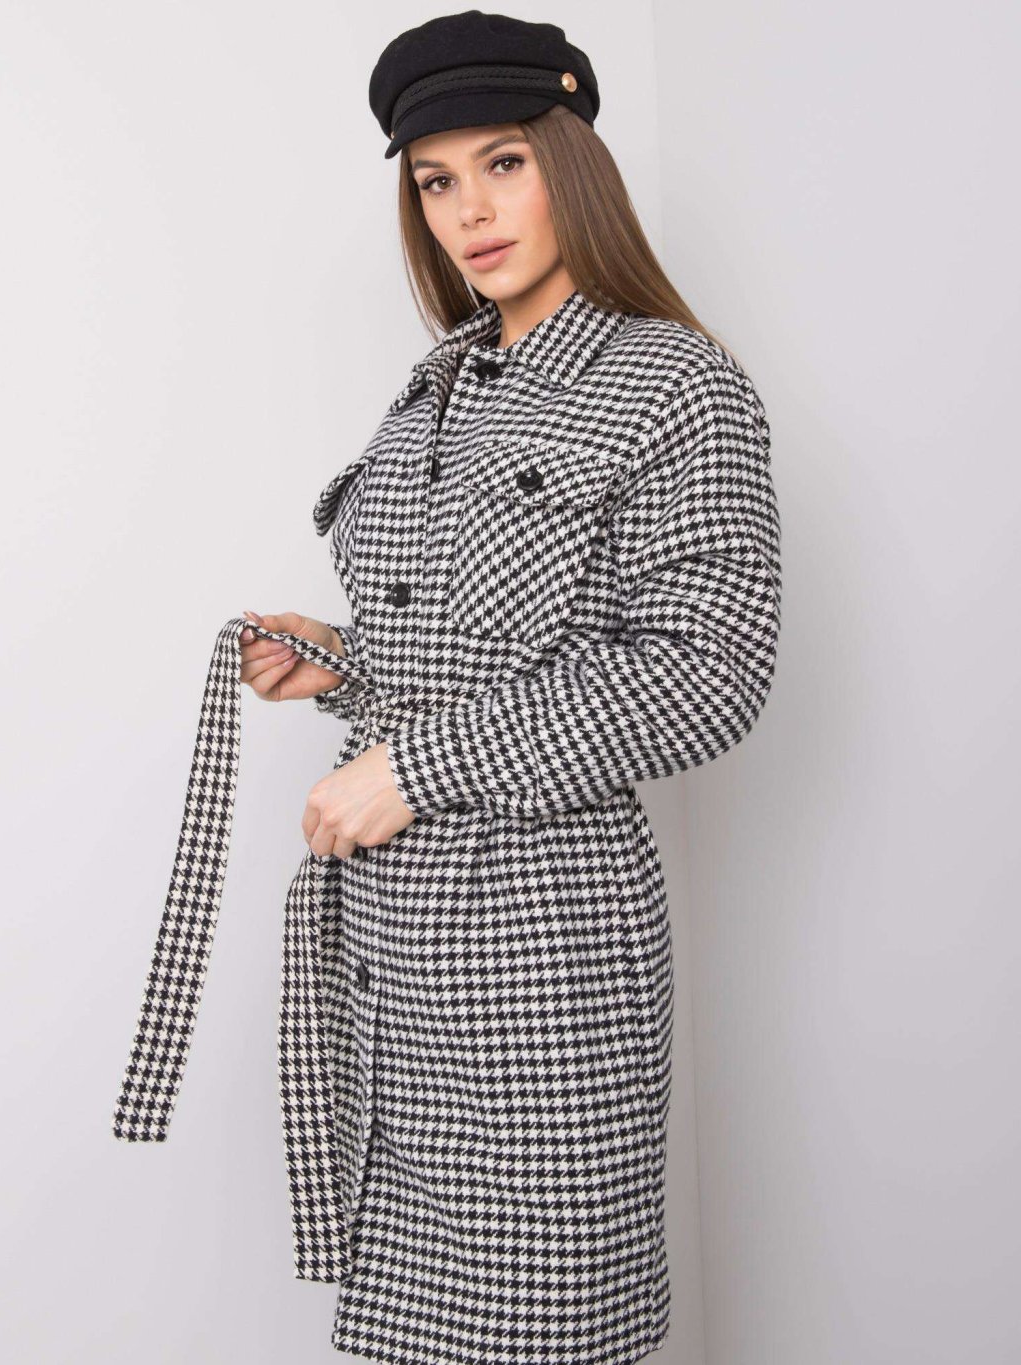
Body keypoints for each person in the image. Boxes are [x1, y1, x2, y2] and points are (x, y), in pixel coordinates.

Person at [238, 11, 782, 1363]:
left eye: (502, 164)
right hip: (391, 945)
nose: (469, 212)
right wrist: (338, 658)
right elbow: (473, 640)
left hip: (542, 954)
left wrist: (417, 768)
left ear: (570, 162)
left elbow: (706, 671)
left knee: (540, 1328)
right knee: (415, 1332)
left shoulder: (676, 382)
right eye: (435, 182)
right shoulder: (437, 387)